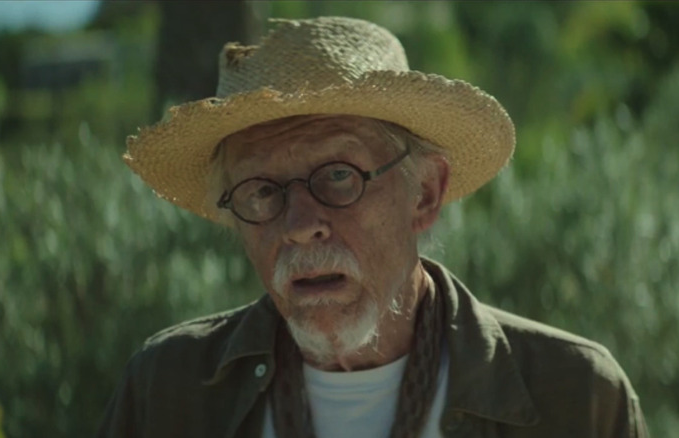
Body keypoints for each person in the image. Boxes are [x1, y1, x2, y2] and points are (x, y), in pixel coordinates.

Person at [98, 16, 648, 438]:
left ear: (424, 195)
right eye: (262, 191)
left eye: (339, 176)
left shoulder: (576, 397)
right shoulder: (165, 391)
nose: (300, 226)